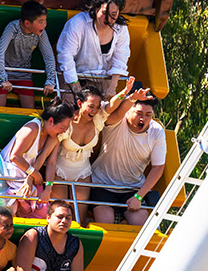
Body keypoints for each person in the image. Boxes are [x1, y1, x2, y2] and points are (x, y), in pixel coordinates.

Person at [44, 80, 151, 226]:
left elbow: (116, 109)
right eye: (91, 106)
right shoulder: (66, 124)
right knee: (61, 214)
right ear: (80, 104)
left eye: (97, 107)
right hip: (60, 171)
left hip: (83, 173)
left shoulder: (98, 120)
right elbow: (48, 158)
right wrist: (46, 184)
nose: (94, 110)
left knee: (78, 220)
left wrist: (128, 95)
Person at [0, 102, 73, 218]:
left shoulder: (54, 137)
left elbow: (49, 161)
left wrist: (48, 188)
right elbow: (14, 157)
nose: (64, 131)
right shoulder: (32, 128)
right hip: (0, 171)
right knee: (3, 216)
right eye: (63, 127)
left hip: (21, 177)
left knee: (34, 212)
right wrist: (35, 174)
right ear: (50, 121)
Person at [88, 97, 167, 226]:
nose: (143, 119)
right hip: (102, 184)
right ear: (128, 111)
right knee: (105, 221)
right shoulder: (116, 122)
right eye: (139, 114)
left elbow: (158, 167)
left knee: (140, 223)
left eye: (148, 115)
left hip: (133, 188)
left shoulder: (157, 132)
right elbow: (114, 112)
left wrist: (139, 197)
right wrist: (131, 97)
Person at [56, 0, 129, 102]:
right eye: (105, 13)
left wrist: (112, 86)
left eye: (114, 14)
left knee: (102, 110)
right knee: (69, 108)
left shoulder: (121, 29)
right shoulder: (78, 23)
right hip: (71, 76)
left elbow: (121, 58)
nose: (108, 19)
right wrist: (76, 88)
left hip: (100, 78)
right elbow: (65, 56)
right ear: (96, 10)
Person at [0, 0, 57, 109]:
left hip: (23, 73)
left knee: (29, 108)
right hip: (2, 71)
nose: (44, 25)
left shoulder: (41, 33)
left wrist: (50, 81)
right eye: (40, 22)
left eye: (45, 21)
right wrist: (3, 78)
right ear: (27, 23)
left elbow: (49, 57)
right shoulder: (13, 28)